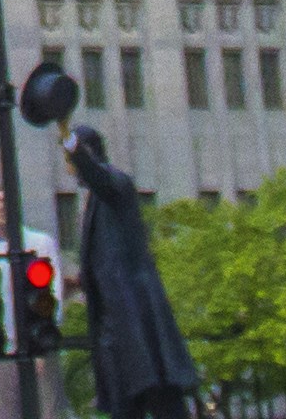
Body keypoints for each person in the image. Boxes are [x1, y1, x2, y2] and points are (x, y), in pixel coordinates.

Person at [56, 122, 203, 419]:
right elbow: (108, 257)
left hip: (136, 318)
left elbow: (96, 174)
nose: (68, 168)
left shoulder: (116, 184)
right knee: (124, 402)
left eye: (70, 160)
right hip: (112, 324)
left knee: (161, 396)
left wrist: (66, 135)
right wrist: (80, 281)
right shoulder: (97, 200)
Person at [0, 187, 68, 419]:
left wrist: (45, 338)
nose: (0, 206)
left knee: (49, 412)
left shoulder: (41, 244)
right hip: (0, 347)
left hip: (40, 341)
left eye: (4, 200)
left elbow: (54, 295)